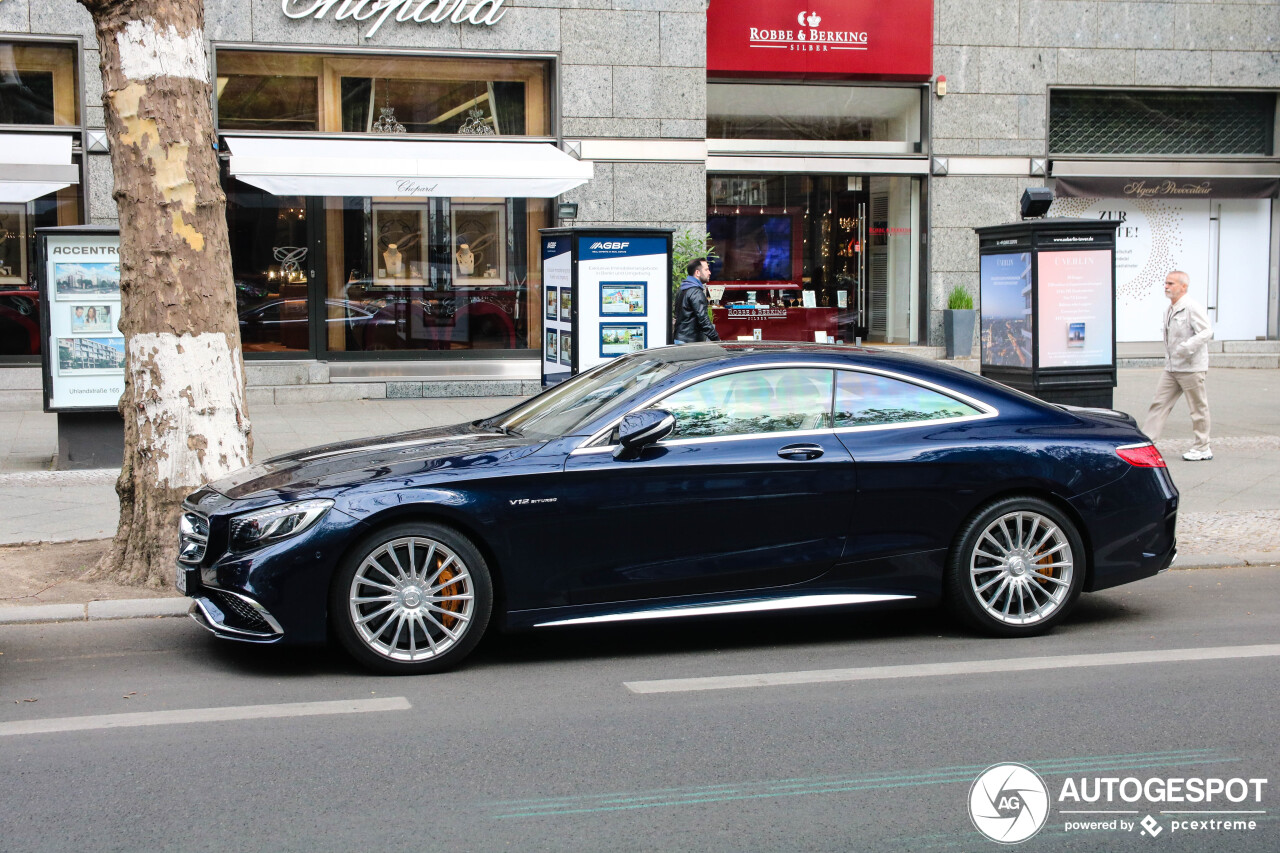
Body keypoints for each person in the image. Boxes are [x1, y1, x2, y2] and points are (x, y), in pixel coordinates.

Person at [1143, 270, 1214, 461]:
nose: (1166, 287)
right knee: (1159, 404)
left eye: (1171, 283)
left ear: (1184, 286)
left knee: (1197, 408)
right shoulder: (1170, 308)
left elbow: (1207, 332)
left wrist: (1187, 348)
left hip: (1191, 368)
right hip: (1172, 368)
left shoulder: (1191, 307)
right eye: (1165, 283)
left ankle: (1202, 447)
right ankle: (1147, 443)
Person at [673, 257, 720, 344]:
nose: (709, 273)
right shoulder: (696, 292)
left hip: (680, 339)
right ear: (697, 273)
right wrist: (717, 340)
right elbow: (703, 320)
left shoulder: (683, 289)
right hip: (690, 343)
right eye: (706, 270)